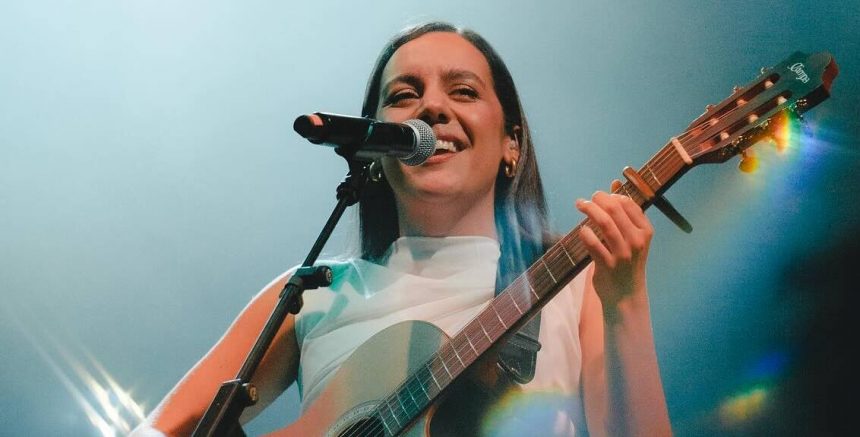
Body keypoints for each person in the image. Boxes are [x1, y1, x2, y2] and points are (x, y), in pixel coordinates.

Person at [131, 21, 672, 436]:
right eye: (404, 95)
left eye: (463, 91)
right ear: (375, 148)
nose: (432, 107)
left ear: (511, 143)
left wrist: (624, 301)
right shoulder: (315, 294)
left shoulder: (576, 283)